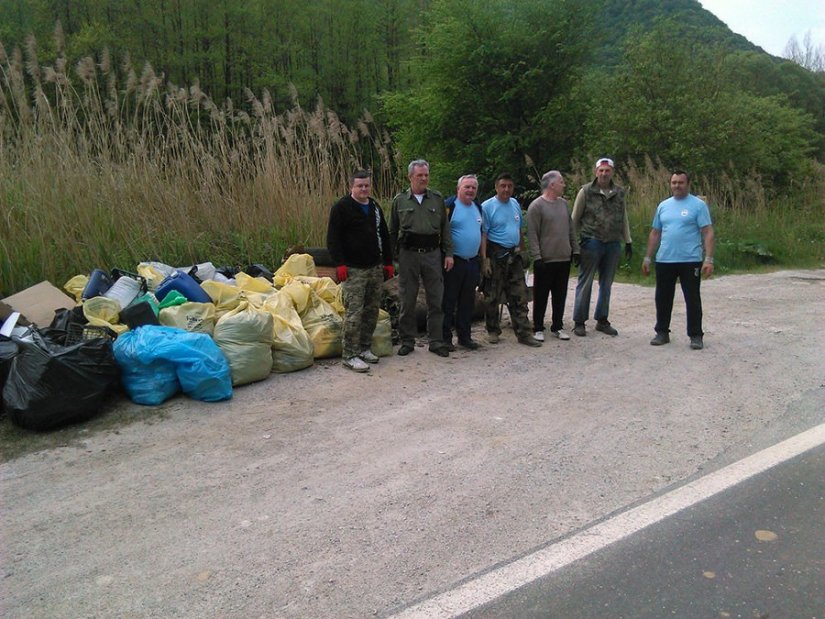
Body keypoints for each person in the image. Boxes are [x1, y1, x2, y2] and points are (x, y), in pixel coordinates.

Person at [327, 169, 394, 372]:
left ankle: (365, 348)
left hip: (374, 267)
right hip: (353, 269)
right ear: (351, 187)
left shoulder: (373, 206)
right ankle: (350, 354)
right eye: (359, 186)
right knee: (354, 314)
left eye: (366, 185)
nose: (364, 189)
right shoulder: (342, 207)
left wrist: (388, 262)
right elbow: (333, 238)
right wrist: (339, 264)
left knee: (371, 310)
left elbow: (384, 233)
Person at [642, 169, 715, 350]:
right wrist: (647, 258)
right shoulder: (663, 206)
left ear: (688, 184)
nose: (677, 186)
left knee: (692, 298)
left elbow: (708, 232)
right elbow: (655, 232)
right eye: (674, 183)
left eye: (680, 183)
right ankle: (662, 332)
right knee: (663, 297)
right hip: (665, 259)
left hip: (690, 260)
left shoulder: (698, 205)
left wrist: (709, 259)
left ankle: (696, 335)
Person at [390, 159, 454, 357]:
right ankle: (407, 340)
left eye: (426, 175)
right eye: (420, 175)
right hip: (408, 255)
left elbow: (445, 229)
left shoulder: (437, 198)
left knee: (436, 299)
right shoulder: (400, 201)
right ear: (410, 177)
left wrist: (449, 253)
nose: (424, 178)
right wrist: (392, 259)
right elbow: (392, 231)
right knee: (407, 299)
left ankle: (435, 341)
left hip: (432, 255)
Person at [571, 157, 633, 337]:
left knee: (607, 283)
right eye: (601, 170)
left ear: (612, 172)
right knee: (586, 282)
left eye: (607, 171)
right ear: (596, 172)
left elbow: (624, 218)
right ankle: (579, 321)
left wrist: (627, 240)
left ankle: (602, 319)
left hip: (613, 242)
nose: (604, 174)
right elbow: (574, 220)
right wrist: (573, 246)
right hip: (591, 240)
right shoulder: (586, 191)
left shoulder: (619, 192)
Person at [480, 173, 542, 347]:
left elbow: (518, 230)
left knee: (519, 295)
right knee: (492, 296)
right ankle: (493, 330)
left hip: (513, 255)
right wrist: (484, 260)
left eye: (509, 186)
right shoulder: (487, 206)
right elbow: (483, 235)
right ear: (496, 187)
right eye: (503, 186)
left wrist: (523, 251)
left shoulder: (514, 204)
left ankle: (524, 333)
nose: (506, 189)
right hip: (495, 254)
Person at [526, 170, 578, 341]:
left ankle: (557, 326)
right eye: (561, 182)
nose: (564, 185)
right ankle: (538, 327)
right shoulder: (536, 206)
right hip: (545, 259)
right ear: (552, 184)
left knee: (560, 294)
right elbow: (532, 234)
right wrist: (537, 257)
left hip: (563, 257)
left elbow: (571, 229)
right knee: (541, 295)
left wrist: (575, 250)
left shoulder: (563, 204)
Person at [442, 174, 483, 351]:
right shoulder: (449, 206)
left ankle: (465, 337)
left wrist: (483, 257)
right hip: (453, 261)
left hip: (472, 261)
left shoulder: (478, 208)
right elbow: (442, 233)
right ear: (458, 189)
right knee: (448, 301)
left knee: (468, 301)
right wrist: (446, 255)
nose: (470, 190)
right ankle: (445, 338)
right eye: (467, 187)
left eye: (473, 187)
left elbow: (482, 233)